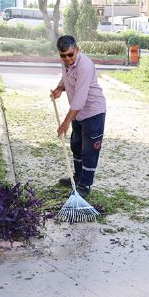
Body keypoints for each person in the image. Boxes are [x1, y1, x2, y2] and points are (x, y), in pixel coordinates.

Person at [49, 35, 107, 198]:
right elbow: (66, 78)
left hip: (93, 112)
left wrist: (65, 123)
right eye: (63, 55)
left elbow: (80, 98)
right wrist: (60, 88)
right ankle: (78, 177)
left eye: (70, 55)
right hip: (78, 113)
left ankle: (85, 185)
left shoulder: (85, 65)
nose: (67, 59)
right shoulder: (66, 63)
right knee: (76, 145)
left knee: (89, 150)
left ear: (77, 50)